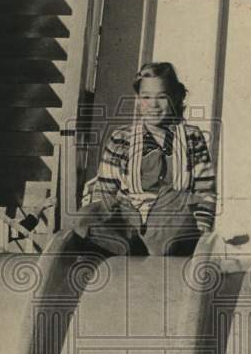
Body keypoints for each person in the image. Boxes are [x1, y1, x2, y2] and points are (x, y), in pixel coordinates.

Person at [74, 62, 217, 256]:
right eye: (146, 97)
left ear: (175, 98)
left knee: (180, 220)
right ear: (138, 100)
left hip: (170, 219)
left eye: (162, 97)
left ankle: (153, 253)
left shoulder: (191, 138)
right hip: (128, 219)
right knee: (85, 218)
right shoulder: (121, 138)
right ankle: (125, 249)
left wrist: (202, 229)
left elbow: (205, 191)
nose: (154, 105)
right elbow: (104, 190)